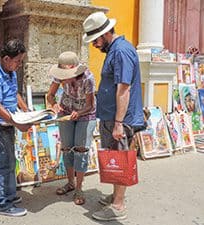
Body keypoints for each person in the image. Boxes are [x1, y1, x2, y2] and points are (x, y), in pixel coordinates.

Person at [82, 12, 144, 221]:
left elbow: (123, 89)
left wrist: (118, 123)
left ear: (106, 33)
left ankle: (118, 205)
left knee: (120, 158)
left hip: (121, 119)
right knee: (115, 157)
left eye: (95, 40)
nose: (94, 45)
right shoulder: (114, 50)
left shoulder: (122, 51)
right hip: (112, 117)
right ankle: (116, 195)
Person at [0, 39, 32, 217]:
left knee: (8, 161)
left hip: (7, 123)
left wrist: (26, 110)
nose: (19, 65)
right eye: (17, 61)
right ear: (7, 58)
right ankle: (3, 204)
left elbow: (13, 93)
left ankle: (3, 195)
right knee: (5, 162)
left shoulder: (9, 71)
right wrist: (18, 123)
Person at [47, 51, 97, 205]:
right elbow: (50, 95)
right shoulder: (59, 75)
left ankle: (79, 188)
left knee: (81, 149)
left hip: (86, 114)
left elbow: (89, 105)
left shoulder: (87, 78)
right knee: (67, 148)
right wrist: (54, 105)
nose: (63, 78)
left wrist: (79, 113)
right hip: (66, 111)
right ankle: (70, 183)